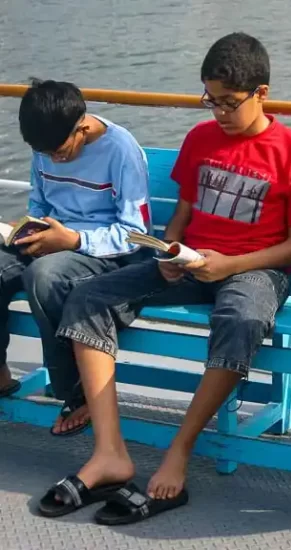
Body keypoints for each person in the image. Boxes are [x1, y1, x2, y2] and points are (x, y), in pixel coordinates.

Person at [37, 32, 291, 523]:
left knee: (240, 318)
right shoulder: (200, 138)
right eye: (209, 99)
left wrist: (230, 264)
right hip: (192, 262)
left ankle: (179, 450)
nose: (217, 111)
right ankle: (110, 453)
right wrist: (169, 251)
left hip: (255, 269)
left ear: (261, 94)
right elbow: (184, 213)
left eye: (228, 103)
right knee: (89, 295)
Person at [0, 79, 151, 436]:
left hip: (106, 251)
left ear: (82, 126)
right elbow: (40, 203)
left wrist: (73, 240)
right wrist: (28, 229)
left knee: (45, 276)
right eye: (45, 153)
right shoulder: (46, 144)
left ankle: (76, 391)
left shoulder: (120, 150)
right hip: (54, 237)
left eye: (61, 150)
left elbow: (134, 234)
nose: (54, 158)